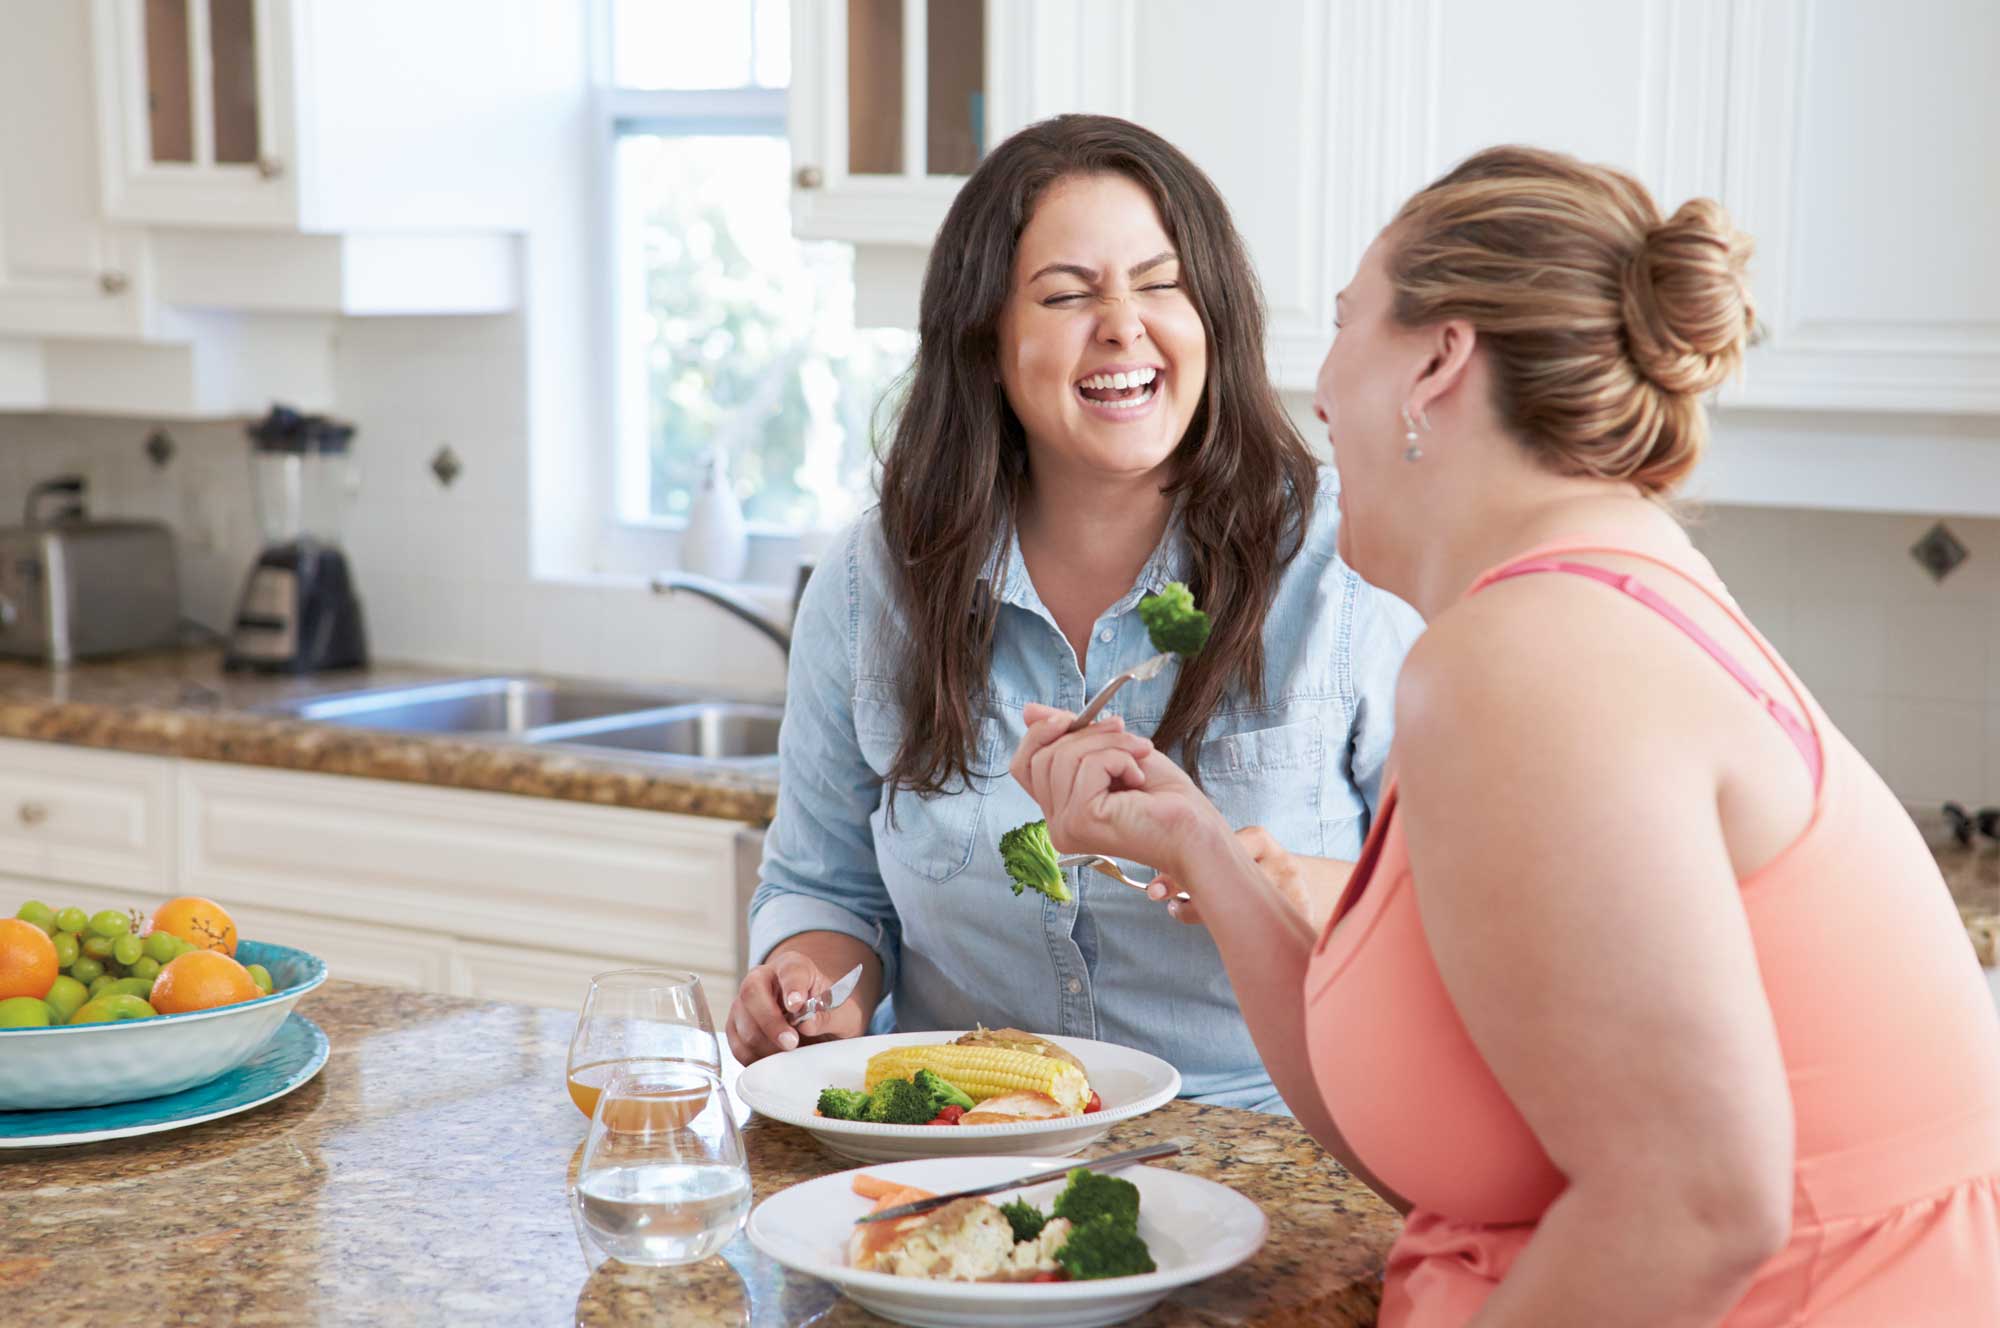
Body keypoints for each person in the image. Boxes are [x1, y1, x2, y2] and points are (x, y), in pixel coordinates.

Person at [1011, 145, 2000, 1323]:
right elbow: (1456, 1141)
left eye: (1341, 323)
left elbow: (1693, 1202)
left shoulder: (1523, 657)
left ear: (1435, 361)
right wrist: (1199, 848)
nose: (1317, 385)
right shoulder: (1586, 598)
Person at [725, 114, 1419, 1112]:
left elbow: (1451, 914)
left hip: (1276, 1140)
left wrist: (1246, 875)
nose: (1123, 325)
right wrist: (805, 984)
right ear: (987, 345)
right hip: (965, 1145)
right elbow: (825, 885)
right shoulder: (873, 577)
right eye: (1065, 294)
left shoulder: (1346, 567)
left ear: (1212, 316)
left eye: (1159, 283)